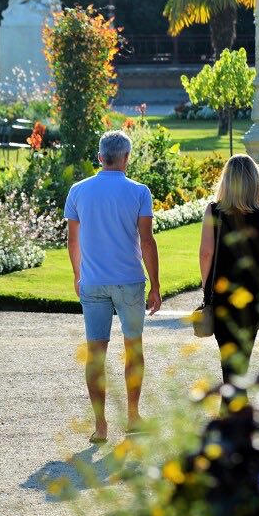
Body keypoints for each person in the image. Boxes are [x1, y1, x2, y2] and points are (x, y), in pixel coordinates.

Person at [64, 129, 162, 444]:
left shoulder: (78, 191)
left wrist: (78, 274)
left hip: (93, 282)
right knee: (133, 348)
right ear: (126, 158)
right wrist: (156, 285)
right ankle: (133, 417)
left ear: (100, 157)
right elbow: (146, 241)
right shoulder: (139, 192)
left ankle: (101, 425)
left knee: (96, 353)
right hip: (129, 281)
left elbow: (73, 240)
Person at [199, 154, 259, 383]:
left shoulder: (214, 211)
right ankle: (235, 401)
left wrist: (205, 285)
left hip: (221, 290)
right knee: (242, 353)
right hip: (253, 290)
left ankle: (232, 402)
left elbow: (206, 253)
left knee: (227, 352)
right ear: (255, 182)